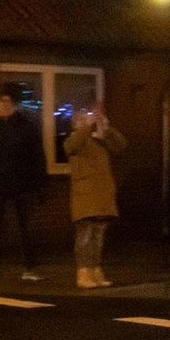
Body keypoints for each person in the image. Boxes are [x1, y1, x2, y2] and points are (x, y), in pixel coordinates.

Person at [63, 104, 125, 289]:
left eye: (87, 118)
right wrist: (87, 126)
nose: (87, 122)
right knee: (85, 236)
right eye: (82, 119)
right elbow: (70, 147)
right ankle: (83, 273)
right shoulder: (75, 139)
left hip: (103, 195)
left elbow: (121, 146)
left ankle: (95, 270)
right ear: (75, 124)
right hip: (85, 196)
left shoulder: (99, 140)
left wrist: (107, 128)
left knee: (98, 236)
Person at [0, 82, 47, 282]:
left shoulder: (26, 127)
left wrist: (39, 185)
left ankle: (29, 267)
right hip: (0, 184)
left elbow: (37, 157)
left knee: (25, 227)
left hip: (22, 184)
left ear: (10, 102)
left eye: (1, 100)